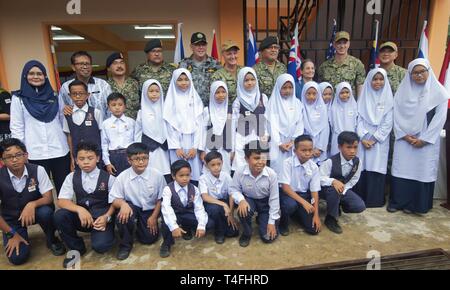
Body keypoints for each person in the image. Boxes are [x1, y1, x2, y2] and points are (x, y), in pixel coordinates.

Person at [388, 59, 449, 215]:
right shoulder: (402, 92)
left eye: (422, 71)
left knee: (421, 170)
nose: (419, 75)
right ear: (410, 74)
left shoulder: (439, 93)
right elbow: (396, 115)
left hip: (426, 141)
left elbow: (440, 118)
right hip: (404, 140)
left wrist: (425, 139)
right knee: (402, 169)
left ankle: (417, 205)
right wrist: (404, 135)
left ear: (429, 71)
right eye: (415, 72)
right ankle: (397, 202)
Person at [0, 138, 65, 266]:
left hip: (35, 213)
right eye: (8, 157)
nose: (14, 160)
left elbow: (48, 198)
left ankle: (51, 239)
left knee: (46, 212)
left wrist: (32, 204)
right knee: (17, 258)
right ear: (2, 160)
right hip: (12, 219)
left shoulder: (38, 170)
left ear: (26, 155)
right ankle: (18, 234)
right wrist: (11, 234)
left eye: (18, 155)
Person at [10, 60, 70, 193]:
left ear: (45, 76)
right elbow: (17, 128)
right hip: (34, 153)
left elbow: (62, 121)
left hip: (59, 150)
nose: (36, 76)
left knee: (64, 190)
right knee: (40, 192)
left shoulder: (55, 96)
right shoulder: (18, 99)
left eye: (40, 73)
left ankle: (65, 213)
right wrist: (21, 153)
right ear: (25, 76)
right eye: (31, 73)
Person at [55, 142, 115, 268]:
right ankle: (76, 249)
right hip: (82, 220)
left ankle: (104, 235)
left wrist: (106, 217)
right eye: (81, 159)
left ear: (98, 158)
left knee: (101, 246)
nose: (86, 162)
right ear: (76, 160)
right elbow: (61, 200)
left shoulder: (108, 178)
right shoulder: (71, 176)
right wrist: (79, 209)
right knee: (60, 215)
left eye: (90, 158)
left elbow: (116, 202)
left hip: (101, 219)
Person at [110, 143, 166, 260]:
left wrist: (154, 217)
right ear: (129, 160)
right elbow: (114, 198)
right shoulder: (122, 177)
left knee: (148, 239)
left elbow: (161, 199)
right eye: (136, 159)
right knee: (122, 216)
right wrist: (123, 204)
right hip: (132, 208)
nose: (141, 162)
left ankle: (141, 227)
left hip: (150, 210)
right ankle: (125, 245)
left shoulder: (157, 175)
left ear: (148, 158)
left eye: (144, 158)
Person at [230, 140, 280, 247]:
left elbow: (274, 199)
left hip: (265, 202)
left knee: (268, 237)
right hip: (249, 200)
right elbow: (233, 189)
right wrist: (241, 200)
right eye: (256, 158)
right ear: (247, 159)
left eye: (263, 158)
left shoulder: (272, 174)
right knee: (243, 211)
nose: (260, 162)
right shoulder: (240, 172)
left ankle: (268, 220)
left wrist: (271, 223)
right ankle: (247, 233)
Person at [356, 68, 393, 207]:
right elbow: (358, 118)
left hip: (379, 141)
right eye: (375, 79)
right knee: (363, 166)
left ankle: (375, 200)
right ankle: (361, 198)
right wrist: (363, 137)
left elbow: (388, 122)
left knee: (377, 166)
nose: (378, 82)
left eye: (381, 79)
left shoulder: (389, 99)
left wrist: (374, 139)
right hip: (363, 140)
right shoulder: (363, 97)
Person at [160, 160, 209, 258]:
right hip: (175, 214)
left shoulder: (194, 189)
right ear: (173, 176)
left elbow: (199, 208)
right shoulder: (168, 189)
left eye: (187, 175)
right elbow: (167, 208)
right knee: (166, 222)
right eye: (181, 175)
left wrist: (201, 226)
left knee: (209, 224)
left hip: (187, 213)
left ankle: (186, 228)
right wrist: (174, 227)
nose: (185, 178)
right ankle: (166, 243)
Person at [319, 131, 366, 234]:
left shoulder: (357, 162)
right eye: (348, 147)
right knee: (334, 191)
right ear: (340, 147)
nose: (352, 151)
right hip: (326, 190)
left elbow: (354, 179)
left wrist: (343, 189)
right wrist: (333, 181)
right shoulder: (330, 161)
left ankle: (336, 206)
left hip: (343, 190)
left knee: (359, 206)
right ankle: (331, 219)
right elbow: (320, 178)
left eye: (355, 147)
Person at [163, 69, 204, 185]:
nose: (184, 82)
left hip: (192, 143)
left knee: (194, 174)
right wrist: (176, 146)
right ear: (174, 81)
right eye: (180, 80)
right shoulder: (170, 101)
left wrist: (195, 147)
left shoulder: (196, 99)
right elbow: (169, 125)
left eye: (186, 79)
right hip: (177, 145)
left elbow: (199, 125)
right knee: (178, 173)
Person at [279, 135, 321, 236]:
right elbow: (285, 187)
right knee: (290, 205)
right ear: (294, 151)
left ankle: (297, 214)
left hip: (304, 196)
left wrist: (316, 215)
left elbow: (314, 192)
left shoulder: (314, 167)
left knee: (314, 230)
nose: (307, 153)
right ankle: (283, 224)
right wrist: (304, 203)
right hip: (288, 195)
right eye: (303, 150)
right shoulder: (287, 163)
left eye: (310, 150)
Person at [265, 74, 305, 175]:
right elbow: (272, 125)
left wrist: (293, 141)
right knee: (278, 169)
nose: (287, 90)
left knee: (293, 170)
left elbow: (300, 123)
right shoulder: (273, 103)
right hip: (277, 143)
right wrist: (279, 143)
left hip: (293, 143)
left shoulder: (297, 103)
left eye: (290, 87)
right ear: (278, 87)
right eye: (284, 87)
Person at [231, 67, 269, 171]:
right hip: (242, 139)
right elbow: (233, 125)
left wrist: (265, 136)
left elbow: (266, 120)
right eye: (246, 80)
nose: (250, 83)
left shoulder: (263, 98)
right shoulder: (238, 101)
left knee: (259, 167)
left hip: (259, 138)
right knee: (242, 169)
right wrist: (232, 148)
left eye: (252, 80)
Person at [199, 151, 239, 244]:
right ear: (207, 166)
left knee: (234, 233)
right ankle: (219, 232)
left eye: (218, 164)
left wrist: (231, 214)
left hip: (224, 202)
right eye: (212, 165)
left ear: (222, 163)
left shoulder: (226, 176)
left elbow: (231, 194)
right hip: (211, 203)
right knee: (217, 210)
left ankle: (227, 224)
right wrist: (224, 204)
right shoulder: (203, 178)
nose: (216, 167)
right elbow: (205, 197)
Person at [135, 79, 171, 182]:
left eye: (157, 91)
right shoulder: (141, 112)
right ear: (145, 93)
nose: (154, 94)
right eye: (151, 91)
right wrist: (139, 150)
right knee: (150, 175)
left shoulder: (166, 110)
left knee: (166, 175)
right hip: (149, 150)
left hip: (165, 150)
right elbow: (137, 133)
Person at [63, 80, 103, 170]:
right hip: (78, 158)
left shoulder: (96, 112)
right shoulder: (67, 114)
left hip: (95, 157)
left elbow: (102, 135)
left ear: (87, 95)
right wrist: (72, 157)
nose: (78, 96)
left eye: (81, 93)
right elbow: (69, 136)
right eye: (74, 94)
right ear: (69, 95)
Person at [59, 51, 112, 118]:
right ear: (73, 67)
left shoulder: (103, 85)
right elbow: (61, 109)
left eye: (87, 64)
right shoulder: (65, 87)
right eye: (81, 64)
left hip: (101, 127)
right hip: (77, 127)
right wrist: (64, 108)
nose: (85, 67)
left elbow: (111, 108)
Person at [318, 31, 366, 98]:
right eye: (339, 43)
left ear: (349, 44)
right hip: (331, 106)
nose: (342, 46)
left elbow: (360, 87)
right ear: (334, 44)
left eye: (345, 43)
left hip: (350, 106)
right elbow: (321, 88)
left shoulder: (357, 64)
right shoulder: (324, 67)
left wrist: (359, 105)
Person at [179, 32, 222, 106]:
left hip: (210, 107)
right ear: (191, 47)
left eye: (203, 44)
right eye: (197, 45)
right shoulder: (184, 64)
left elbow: (221, 85)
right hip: (190, 107)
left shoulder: (215, 64)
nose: (201, 47)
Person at [202, 81, 234, 174]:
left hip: (226, 148)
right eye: (217, 92)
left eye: (223, 92)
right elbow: (203, 131)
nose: (221, 95)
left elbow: (233, 131)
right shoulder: (207, 110)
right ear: (212, 93)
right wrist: (202, 151)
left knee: (225, 173)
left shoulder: (231, 110)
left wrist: (233, 150)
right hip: (210, 148)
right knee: (208, 173)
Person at [101, 93, 135, 176]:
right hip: (113, 156)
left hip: (129, 155)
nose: (117, 107)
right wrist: (107, 163)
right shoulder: (105, 124)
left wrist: (134, 157)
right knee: (114, 181)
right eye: (113, 105)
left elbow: (135, 140)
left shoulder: (131, 122)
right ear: (109, 107)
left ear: (125, 106)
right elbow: (104, 144)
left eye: (120, 104)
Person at [301, 82, 330, 164]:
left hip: (319, 150)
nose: (311, 96)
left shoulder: (322, 108)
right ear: (304, 94)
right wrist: (309, 149)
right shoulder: (301, 108)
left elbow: (325, 129)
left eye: (314, 94)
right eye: (308, 94)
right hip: (304, 149)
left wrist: (319, 148)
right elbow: (300, 130)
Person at [106, 52, 140, 120]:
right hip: (113, 127)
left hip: (134, 126)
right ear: (108, 69)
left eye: (122, 62)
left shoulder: (135, 83)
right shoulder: (105, 86)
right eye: (115, 63)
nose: (119, 66)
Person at [211, 41, 243, 109]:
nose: (233, 56)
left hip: (245, 113)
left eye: (235, 53)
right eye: (229, 54)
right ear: (223, 55)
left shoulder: (244, 71)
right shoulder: (217, 76)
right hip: (226, 113)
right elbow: (215, 99)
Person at [329, 82, 358, 156]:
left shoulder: (355, 107)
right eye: (342, 93)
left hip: (351, 138)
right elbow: (332, 124)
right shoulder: (333, 108)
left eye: (347, 92)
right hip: (337, 138)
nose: (345, 95)